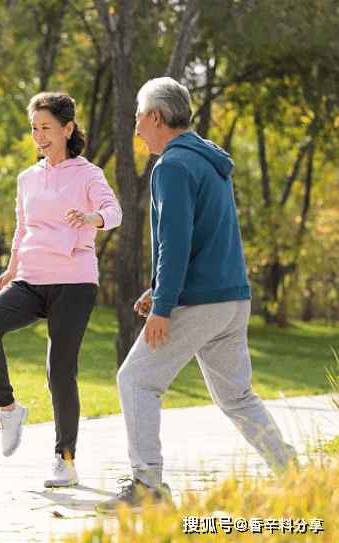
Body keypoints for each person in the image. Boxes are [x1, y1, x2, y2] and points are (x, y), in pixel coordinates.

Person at [106, 77, 297, 506]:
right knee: (237, 396)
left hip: (201, 301)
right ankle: (294, 473)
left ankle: (148, 486)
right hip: (233, 299)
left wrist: (165, 305)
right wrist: (157, 288)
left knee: (137, 379)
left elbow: (176, 241)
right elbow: (201, 238)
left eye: (138, 117)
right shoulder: (209, 160)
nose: (136, 128)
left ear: (155, 116)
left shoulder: (172, 165)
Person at [0, 92, 122, 488]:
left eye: (46, 128)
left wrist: (93, 217)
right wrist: (10, 270)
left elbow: (114, 210)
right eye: (34, 128)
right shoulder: (27, 178)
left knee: (60, 372)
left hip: (74, 280)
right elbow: (23, 229)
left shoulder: (89, 174)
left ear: (67, 129)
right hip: (31, 278)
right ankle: (8, 409)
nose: (39, 136)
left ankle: (64, 460)